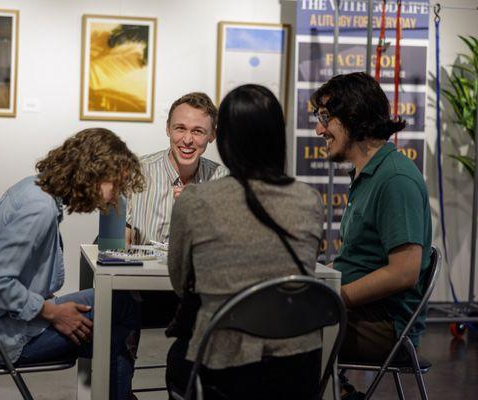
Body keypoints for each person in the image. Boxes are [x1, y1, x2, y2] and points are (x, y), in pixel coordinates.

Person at [165, 84, 325, 399]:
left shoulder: (197, 200)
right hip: (299, 363)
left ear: (221, 140)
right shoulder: (309, 199)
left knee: (176, 356)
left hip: (225, 362)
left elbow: (180, 282)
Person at [0, 128, 145, 400]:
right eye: (114, 185)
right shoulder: (39, 208)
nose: (113, 195)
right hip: (4, 339)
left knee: (118, 302)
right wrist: (52, 313)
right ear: (91, 174)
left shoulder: (33, 187)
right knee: (114, 329)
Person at [310, 72, 432, 398]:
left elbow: (404, 271)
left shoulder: (394, 179)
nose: (319, 129)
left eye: (325, 118)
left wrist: (338, 297)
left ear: (353, 116)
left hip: (385, 327)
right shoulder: (368, 174)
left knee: (284, 331)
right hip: (363, 316)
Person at [125, 92, 228, 246]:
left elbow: (229, 246)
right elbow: (118, 248)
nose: (187, 140)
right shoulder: (136, 173)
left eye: (197, 131)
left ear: (212, 135)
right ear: (168, 129)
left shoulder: (222, 180)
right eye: (180, 128)